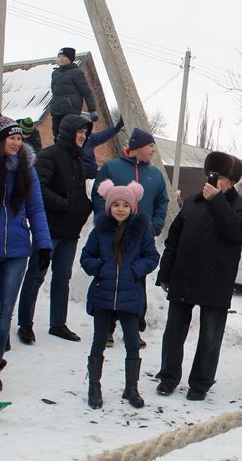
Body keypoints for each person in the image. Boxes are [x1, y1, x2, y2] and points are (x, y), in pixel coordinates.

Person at [155, 152, 242, 401]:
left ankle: (200, 384)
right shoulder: (191, 202)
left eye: (220, 176)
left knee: (210, 336)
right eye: (211, 174)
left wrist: (217, 201)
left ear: (231, 181)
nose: (214, 180)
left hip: (216, 281)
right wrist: (165, 272)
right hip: (184, 277)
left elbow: (235, 231)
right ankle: (168, 377)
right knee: (174, 332)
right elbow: (173, 240)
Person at [0, 112, 52, 393]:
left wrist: (43, 243)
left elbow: (36, 208)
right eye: (11, 138)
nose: (16, 143)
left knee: (5, 313)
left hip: (18, 251)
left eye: (19, 138)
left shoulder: (27, 168)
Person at [80, 180, 160, 409]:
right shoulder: (99, 231)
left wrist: (136, 270)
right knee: (98, 342)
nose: (121, 209)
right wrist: (100, 268)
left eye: (126, 204)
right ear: (109, 206)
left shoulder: (141, 230)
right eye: (116, 204)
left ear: (133, 207)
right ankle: (94, 387)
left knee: (133, 343)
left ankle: (131, 388)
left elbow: (152, 257)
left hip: (130, 295)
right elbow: (86, 257)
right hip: (103, 294)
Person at [16, 115, 94, 344]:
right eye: (79, 131)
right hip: (48, 230)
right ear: (69, 132)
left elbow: (77, 192)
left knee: (62, 279)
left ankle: (58, 324)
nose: (83, 136)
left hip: (69, 233)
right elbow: (37, 186)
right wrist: (65, 205)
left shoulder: (77, 159)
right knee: (35, 276)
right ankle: (25, 324)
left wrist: (84, 207)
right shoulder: (49, 155)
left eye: (85, 132)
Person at [92, 127, 169, 347]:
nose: (154, 149)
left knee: (136, 284)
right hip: (111, 238)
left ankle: (134, 329)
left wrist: (154, 226)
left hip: (139, 240)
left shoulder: (155, 176)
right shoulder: (112, 168)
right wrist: (104, 225)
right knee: (109, 281)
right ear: (137, 147)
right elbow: (98, 196)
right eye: (151, 145)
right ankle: (106, 328)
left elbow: (162, 202)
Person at [50, 47, 98, 138]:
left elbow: (86, 92)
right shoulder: (55, 73)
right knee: (57, 136)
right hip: (56, 110)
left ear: (70, 58)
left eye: (64, 56)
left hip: (70, 110)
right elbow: (54, 91)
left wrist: (92, 110)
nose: (61, 58)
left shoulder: (76, 73)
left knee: (68, 135)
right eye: (59, 56)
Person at [82, 116, 124, 180]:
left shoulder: (89, 138)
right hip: (77, 171)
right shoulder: (69, 139)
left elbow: (103, 135)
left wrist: (117, 127)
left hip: (91, 170)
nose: (82, 135)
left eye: (84, 131)